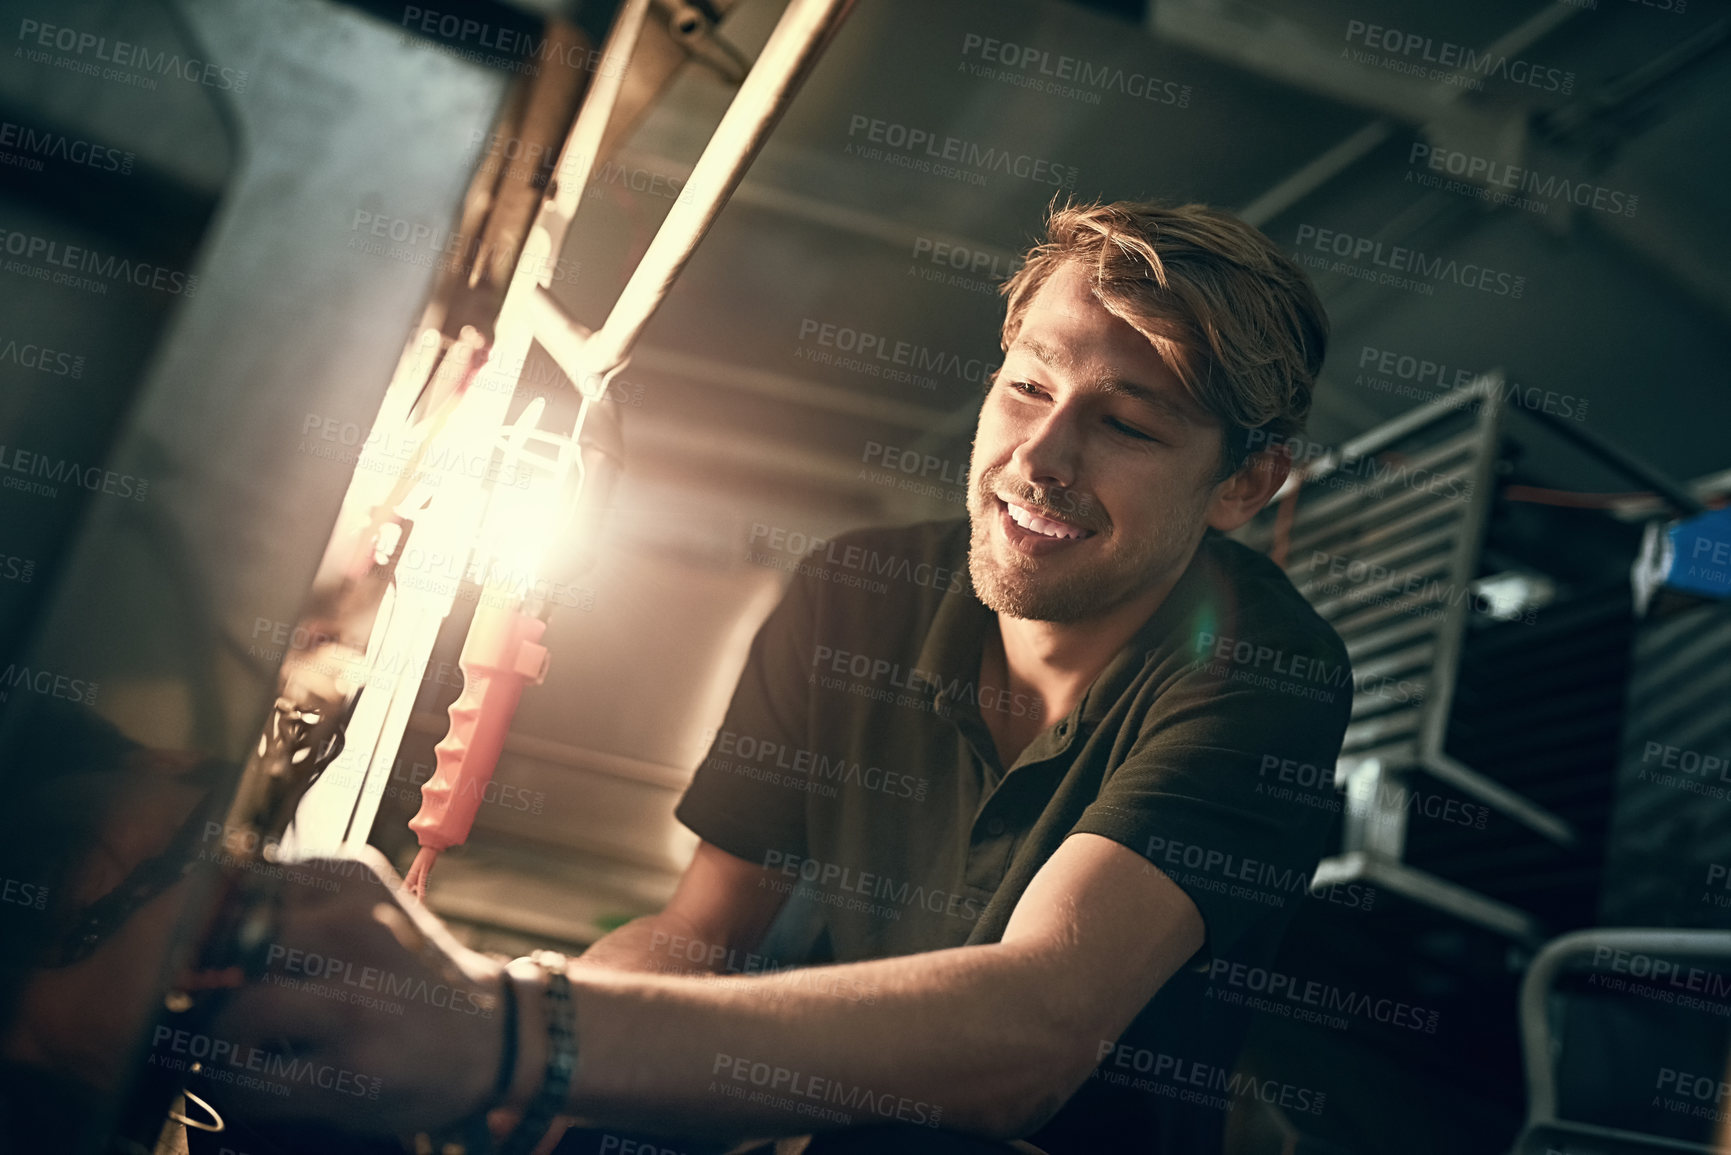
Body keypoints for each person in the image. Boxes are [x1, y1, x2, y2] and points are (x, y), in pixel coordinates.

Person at [208, 199, 1353, 1154]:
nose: (1039, 462)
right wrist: (504, 1070)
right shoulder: (862, 588)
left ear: (1246, 486)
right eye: (1026, 388)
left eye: (1127, 428)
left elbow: (1032, 1037)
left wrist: (511, 1031)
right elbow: (704, 934)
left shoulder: (1262, 672)